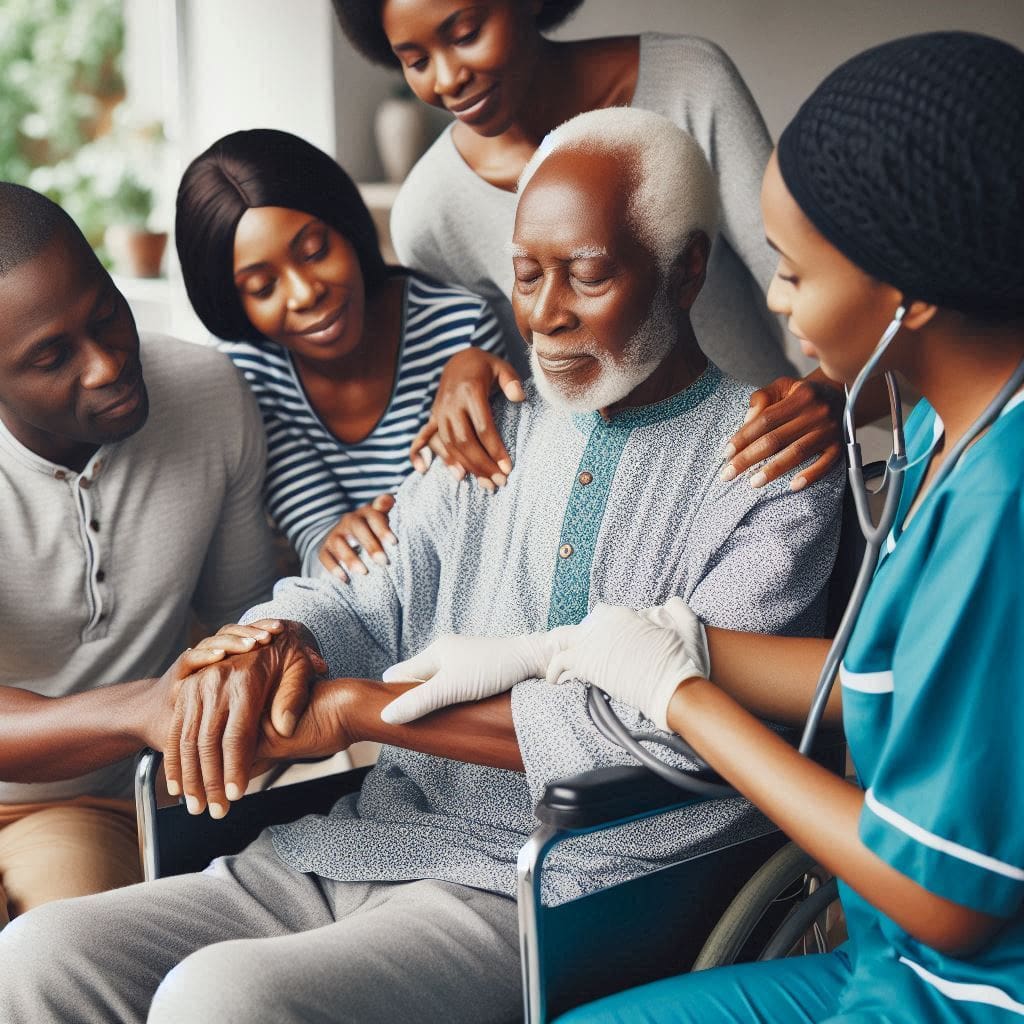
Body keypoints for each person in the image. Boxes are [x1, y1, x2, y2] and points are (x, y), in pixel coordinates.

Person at [0, 110, 843, 1024]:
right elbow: (360, 597)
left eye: (586, 274)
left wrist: (363, 713)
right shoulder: (487, 427)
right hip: (374, 836)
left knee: (222, 999)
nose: (547, 313)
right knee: (44, 957)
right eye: (526, 275)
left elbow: (670, 729)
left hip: (573, 881)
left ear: (685, 270)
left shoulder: (773, 463)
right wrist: (271, 644)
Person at [432, 32, 1024, 1024]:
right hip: (888, 959)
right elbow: (881, 682)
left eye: (791, 273)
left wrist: (682, 696)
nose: (778, 303)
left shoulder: (1001, 502)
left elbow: (947, 897)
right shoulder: (932, 426)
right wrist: (581, 647)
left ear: (907, 297)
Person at [332, 0, 865, 498]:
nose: (448, 79)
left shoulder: (687, 81)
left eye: (466, 33)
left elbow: (827, 289)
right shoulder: (429, 210)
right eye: (416, 59)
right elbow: (520, 380)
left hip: (761, 467)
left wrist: (829, 389)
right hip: (591, 503)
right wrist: (465, 365)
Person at [0, 183, 280, 927]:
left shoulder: (208, 392)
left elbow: (247, 623)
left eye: (105, 316)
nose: (104, 365)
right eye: (52, 356)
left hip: (80, 806)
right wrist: (139, 710)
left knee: (64, 950)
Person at [175, 128, 506, 581]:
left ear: (346, 226)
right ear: (234, 303)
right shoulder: (247, 376)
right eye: (263, 287)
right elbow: (317, 544)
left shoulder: (459, 327)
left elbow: (483, 513)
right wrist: (337, 541)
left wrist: (472, 368)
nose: (305, 293)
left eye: (314, 251)